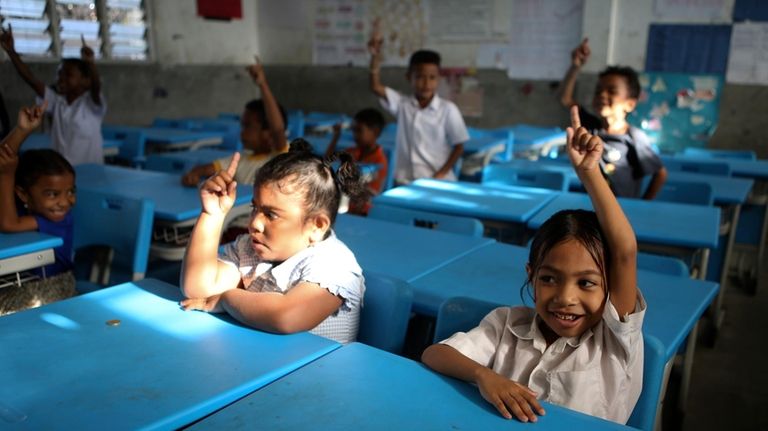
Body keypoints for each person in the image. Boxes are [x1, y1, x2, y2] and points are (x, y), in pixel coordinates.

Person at [422, 106, 645, 424]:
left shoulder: (613, 340)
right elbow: (434, 354)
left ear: (610, 286)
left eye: (586, 283)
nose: (565, 297)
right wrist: (484, 376)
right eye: (550, 279)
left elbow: (625, 252)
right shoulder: (506, 325)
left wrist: (589, 174)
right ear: (532, 275)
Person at [180, 139, 368, 344]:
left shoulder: (335, 264)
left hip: (316, 374)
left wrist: (227, 299)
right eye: (255, 208)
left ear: (317, 226)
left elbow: (286, 316)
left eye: (271, 215)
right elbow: (198, 288)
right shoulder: (251, 248)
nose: (255, 224)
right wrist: (212, 214)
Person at [559, 38, 667, 199]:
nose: (602, 95)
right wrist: (575, 67)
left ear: (630, 104)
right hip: (590, 208)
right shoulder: (591, 126)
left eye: (612, 91)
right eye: (598, 90)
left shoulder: (634, 137)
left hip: (621, 212)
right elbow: (566, 99)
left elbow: (661, 174)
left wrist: (644, 203)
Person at [0, 102, 77, 315]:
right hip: (21, 279)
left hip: (55, 286)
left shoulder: (60, 220)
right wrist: (22, 130)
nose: (65, 201)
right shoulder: (25, 205)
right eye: (53, 194)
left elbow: (8, 224)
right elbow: (2, 157)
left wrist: (6, 175)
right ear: (24, 194)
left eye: (71, 191)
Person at [368, 31, 468, 184]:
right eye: (420, 77)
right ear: (409, 77)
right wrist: (375, 56)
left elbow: (459, 146)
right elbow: (375, 87)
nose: (426, 83)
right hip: (405, 180)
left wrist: (441, 174)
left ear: (439, 79)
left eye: (432, 78)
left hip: (438, 181)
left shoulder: (448, 109)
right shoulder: (403, 104)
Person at [1, 27, 106, 166]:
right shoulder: (57, 102)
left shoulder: (91, 104)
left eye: (68, 75)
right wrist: (11, 52)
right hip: (64, 171)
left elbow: (95, 86)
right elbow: (31, 79)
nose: (60, 78)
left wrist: (90, 64)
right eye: (60, 74)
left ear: (85, 81)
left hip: (91, 173)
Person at [182, 58, 287, 187]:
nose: (242, 132)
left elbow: (277, 129)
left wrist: (262, 84)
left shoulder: (279, 159)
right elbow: (207, 169)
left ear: (267, 133)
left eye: (248, 126)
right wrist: (194, 173)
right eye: (242, 125)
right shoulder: (239, 160)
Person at [324, 108, 388, 215]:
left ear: (375, 132)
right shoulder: (352, 152)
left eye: (359, 130)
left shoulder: (380, 161)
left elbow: (370, 195)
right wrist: (335, 137)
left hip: (364, 212)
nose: (355, 135)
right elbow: (326, 162)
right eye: (354, 130)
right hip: (343, 207)